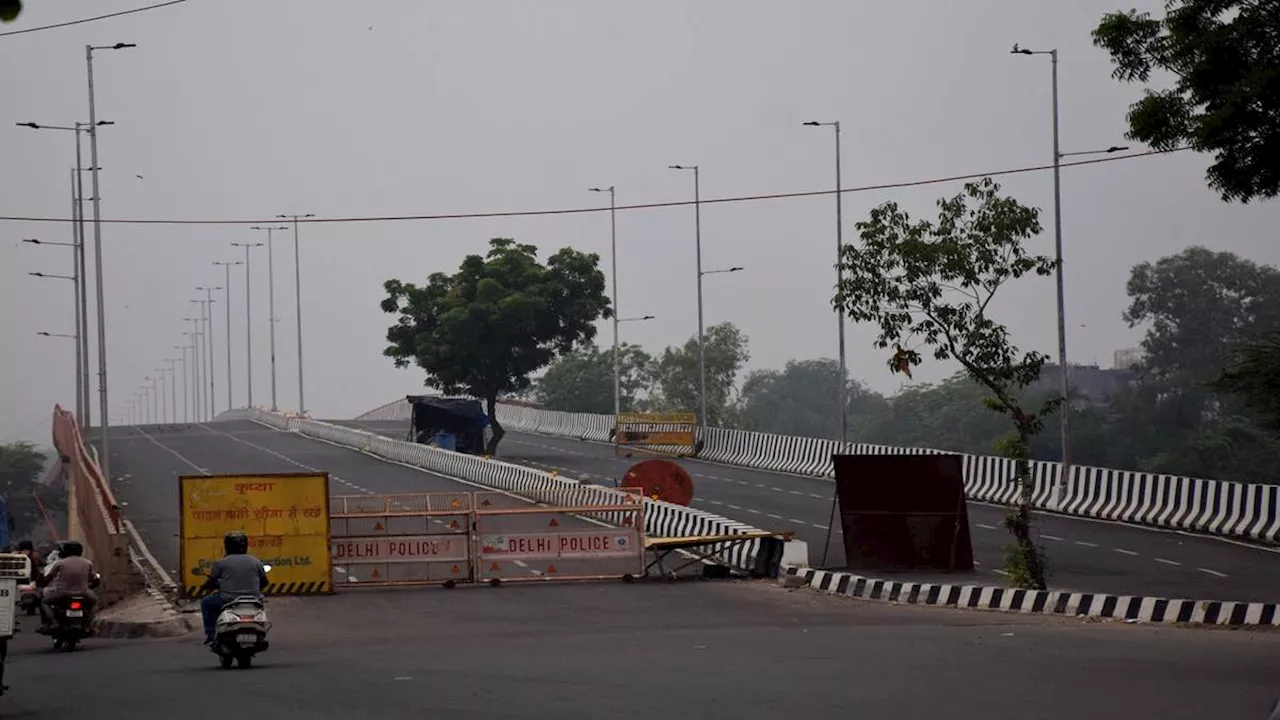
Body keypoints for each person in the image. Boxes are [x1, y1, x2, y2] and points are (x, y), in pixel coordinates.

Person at [200, 531, 269, 645]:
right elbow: (265, 582)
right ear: (245, 546)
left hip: (228, 599)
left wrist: (205, 587)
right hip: (254, 599)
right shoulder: (255, 561)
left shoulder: (221, 563)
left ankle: (211, 634)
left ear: (227, 546)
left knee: (206, 603)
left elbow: (211, 582)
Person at [37, 540, 96, 630]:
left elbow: (49, 577)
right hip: (83, 593)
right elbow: (92, 578)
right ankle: (88, 624)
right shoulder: (87, 563)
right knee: (94, 603)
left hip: (62, 593)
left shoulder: (60, 563)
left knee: (44, 602)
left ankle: (53, 623)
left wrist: (42, 581)